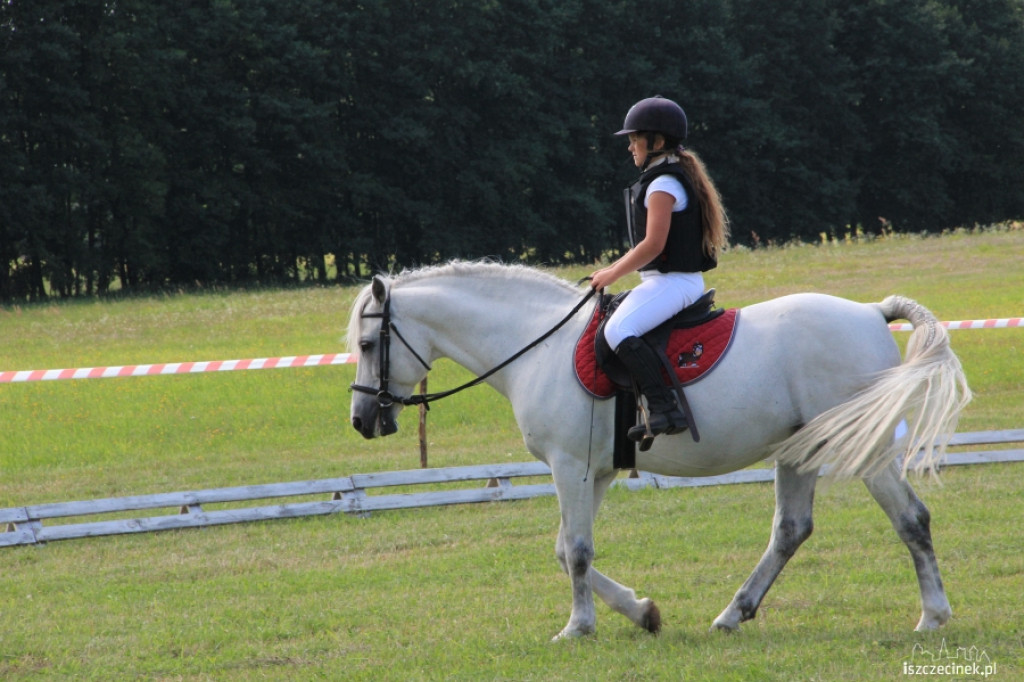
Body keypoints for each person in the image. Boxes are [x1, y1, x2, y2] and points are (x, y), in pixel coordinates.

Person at [591, 96, 730, 441]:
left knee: (618, 330)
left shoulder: (663, 184)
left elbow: (653, 245)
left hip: (674, 283)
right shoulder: (664, 177)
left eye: (634, 139)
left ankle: (665, 408)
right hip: (664, 282)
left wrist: (610, 273)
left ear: (657, 141)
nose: (630, 147)